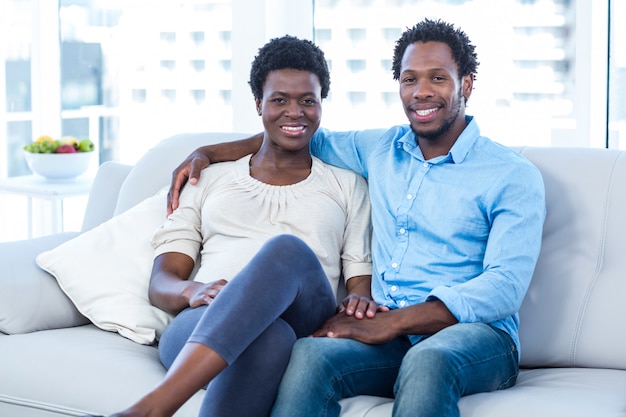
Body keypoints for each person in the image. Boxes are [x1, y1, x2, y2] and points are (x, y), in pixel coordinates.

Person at [167, 19, 547, 417]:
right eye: (409, 79)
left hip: (476, 338)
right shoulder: (381, 148)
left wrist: (396, 322)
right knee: (310, 354)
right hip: (386, 335)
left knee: (429, 361)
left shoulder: (511, 174)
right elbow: (296, 132)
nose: (421, 92)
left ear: (466, 84)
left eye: (438, 78)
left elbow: (504, 286)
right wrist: (208, 152)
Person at [94, 35, 375, 417]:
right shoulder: (206, 179)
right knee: (268, 338)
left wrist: (361, 300)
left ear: (321, 104)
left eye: (308, 100)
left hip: (304, 315)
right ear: (258, 104)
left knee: (285, 250)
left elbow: (360, 284)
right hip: (203, 321)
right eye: (279, 100)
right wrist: (193, 290)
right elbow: (161, 284)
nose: (295, 112)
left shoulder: (347, 184)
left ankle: (152, 409)